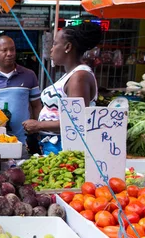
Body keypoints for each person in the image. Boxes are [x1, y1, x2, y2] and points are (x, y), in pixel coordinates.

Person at [23, 22, 102, 154]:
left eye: (55, 44)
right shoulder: (71, 74)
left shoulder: (79, 77)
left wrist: (38, 125)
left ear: (67, 47)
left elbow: (76, 122)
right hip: (54, 144)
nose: (51, 49)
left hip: (65, 148)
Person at [0, 36, 42, 145]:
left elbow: (36, 105)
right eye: (4, 50)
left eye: (12, 49)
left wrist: (38, 129)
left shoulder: (29, 75)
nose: (10, 53)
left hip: (24, 140)